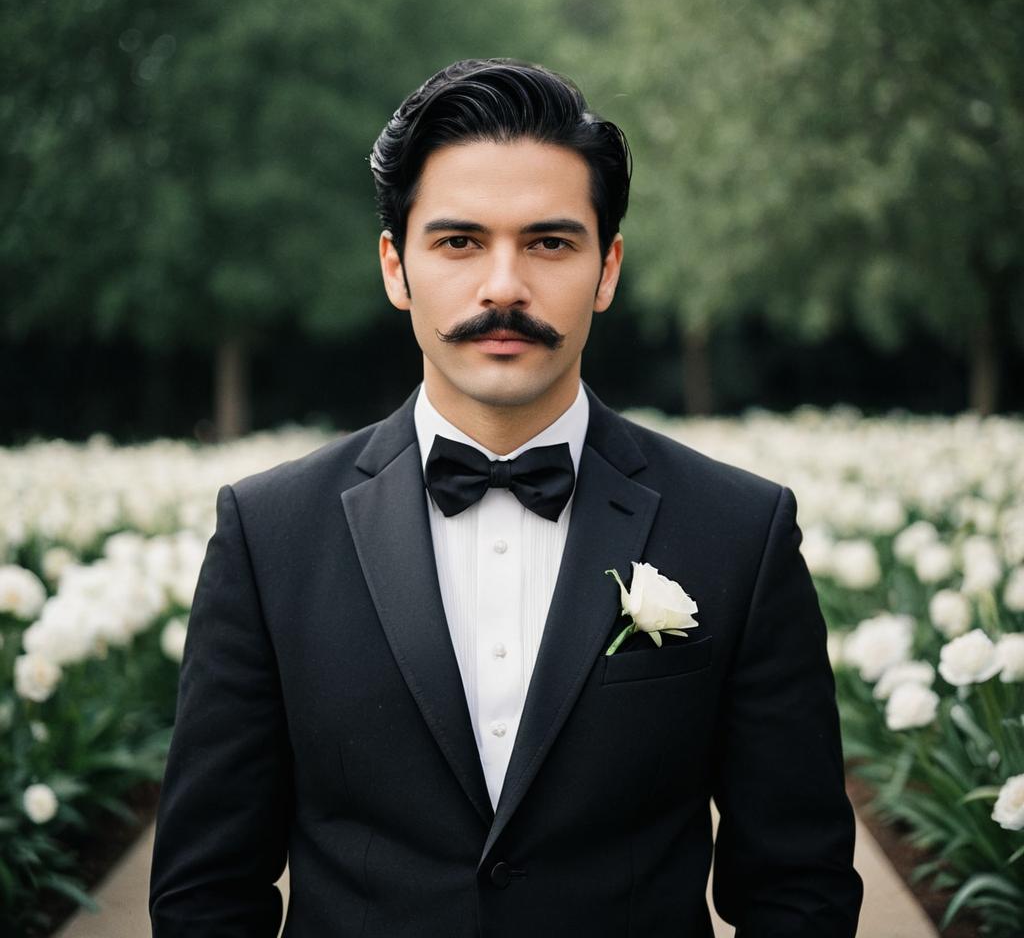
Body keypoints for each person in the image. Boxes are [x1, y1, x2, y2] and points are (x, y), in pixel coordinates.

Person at [149, 58, 863, 937]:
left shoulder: (741, 531)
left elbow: (801, 888)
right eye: (457, 242)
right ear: (395, 267)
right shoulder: (268, 535)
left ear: (607, 270)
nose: (503, 287)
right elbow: (205, 893)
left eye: (549, 243)